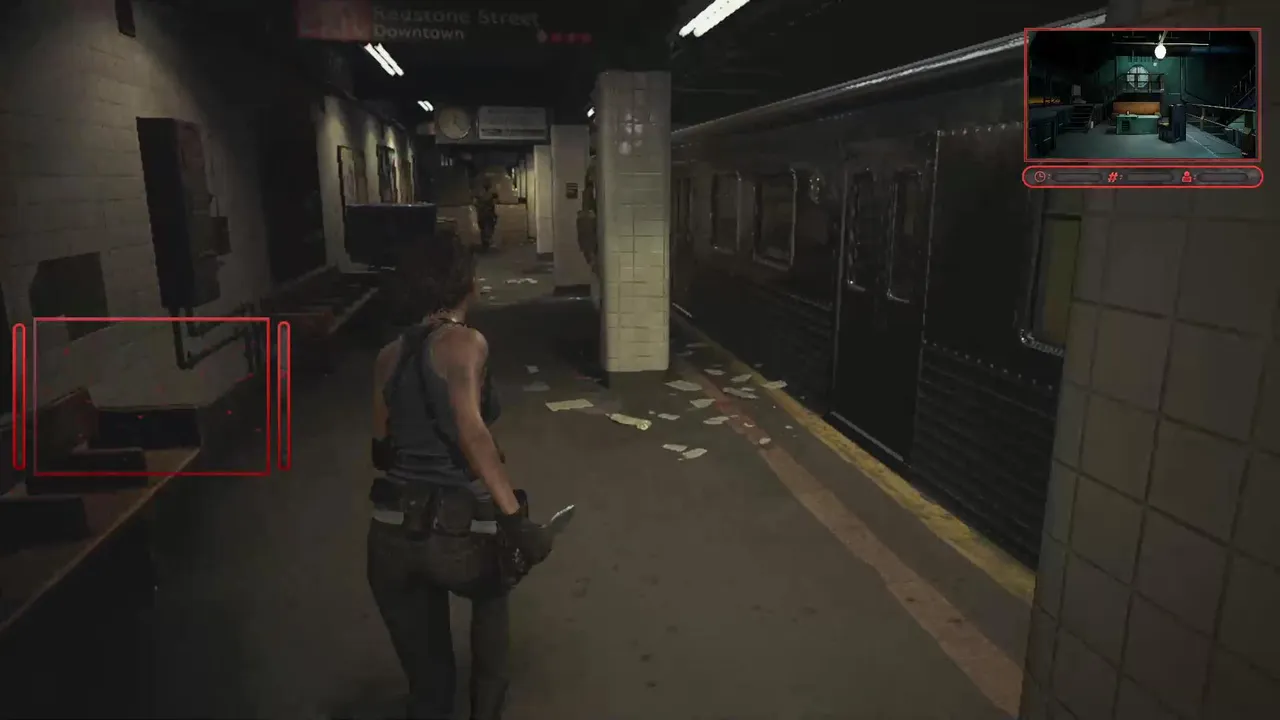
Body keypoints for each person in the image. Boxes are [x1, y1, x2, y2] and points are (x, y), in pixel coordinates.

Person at [368, 232, 553, 720]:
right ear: (465, 283)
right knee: (492, 600)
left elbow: (381, 447)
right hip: (458, 534)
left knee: (428, 688)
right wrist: (516, 522)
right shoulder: (465, 343)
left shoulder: (387, 355)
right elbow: (474, 434)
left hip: (390, 536)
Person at [473, 179, 499, 252]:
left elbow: (475, 203)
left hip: (482, 214)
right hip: (488, 214)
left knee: (483, 229)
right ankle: (487, 241)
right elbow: (494, 203)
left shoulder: (480, 194)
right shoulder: (491, 195)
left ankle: (485, 242)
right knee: (488, 228)